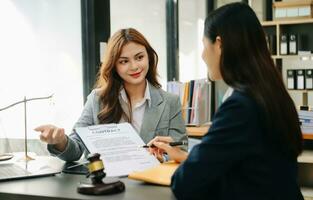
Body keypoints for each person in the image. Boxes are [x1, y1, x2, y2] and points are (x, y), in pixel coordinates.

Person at [148, 3, 304, 200]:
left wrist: (195, 160)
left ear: (219, 44)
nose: (203, 55)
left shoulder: (240, 105)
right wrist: (189, 155)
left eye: (204, 45)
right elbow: (247, 162)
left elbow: (185, 182)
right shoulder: (271, 93)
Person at [35, 28, 187, 162]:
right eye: (124, 61)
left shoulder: (170, 102)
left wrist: (163, 158)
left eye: (139, 57)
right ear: (114, 65)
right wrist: (60, 141)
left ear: (149, 57)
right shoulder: (97, 99)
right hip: (107, 186)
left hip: (149, 187)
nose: (134, 66)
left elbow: (182, 151)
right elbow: (76, 150)